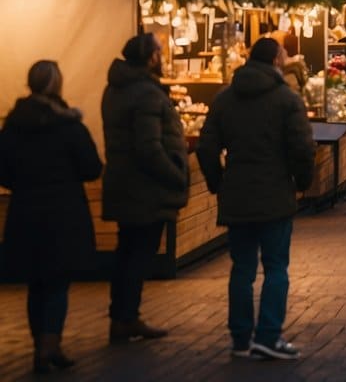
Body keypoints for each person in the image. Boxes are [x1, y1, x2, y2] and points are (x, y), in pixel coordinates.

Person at [197, 38, 316, 361]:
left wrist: (217, 182)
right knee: (276, 266)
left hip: (236, 193)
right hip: (275, 192)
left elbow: (206, 146)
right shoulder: (286, 99)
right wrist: (302, 182)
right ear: (277, 60)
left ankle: (240, 338)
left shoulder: (225, 99)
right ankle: (268, 335)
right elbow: (302, 148)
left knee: (242, 268)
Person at [1, 61, 103, 372]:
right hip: (64, 213)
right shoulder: (69, 126)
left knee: (36, 282)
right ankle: (50, 343)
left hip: (25, 212)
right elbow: (92, 168)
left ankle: (41, 347)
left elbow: (3, 171)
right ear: (57, 85)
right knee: (58, 283)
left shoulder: (13, 127)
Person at [101, 32, 189, 343]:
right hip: (146, 188)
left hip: (125, 182)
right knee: (138, 254)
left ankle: (122, 316)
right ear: (151, 57)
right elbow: (149, 147)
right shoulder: (147, 94)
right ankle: (127, 317)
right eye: (159, 51)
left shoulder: (114, 90)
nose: (161, 56)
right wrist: (177, 174)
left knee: (127, 252)